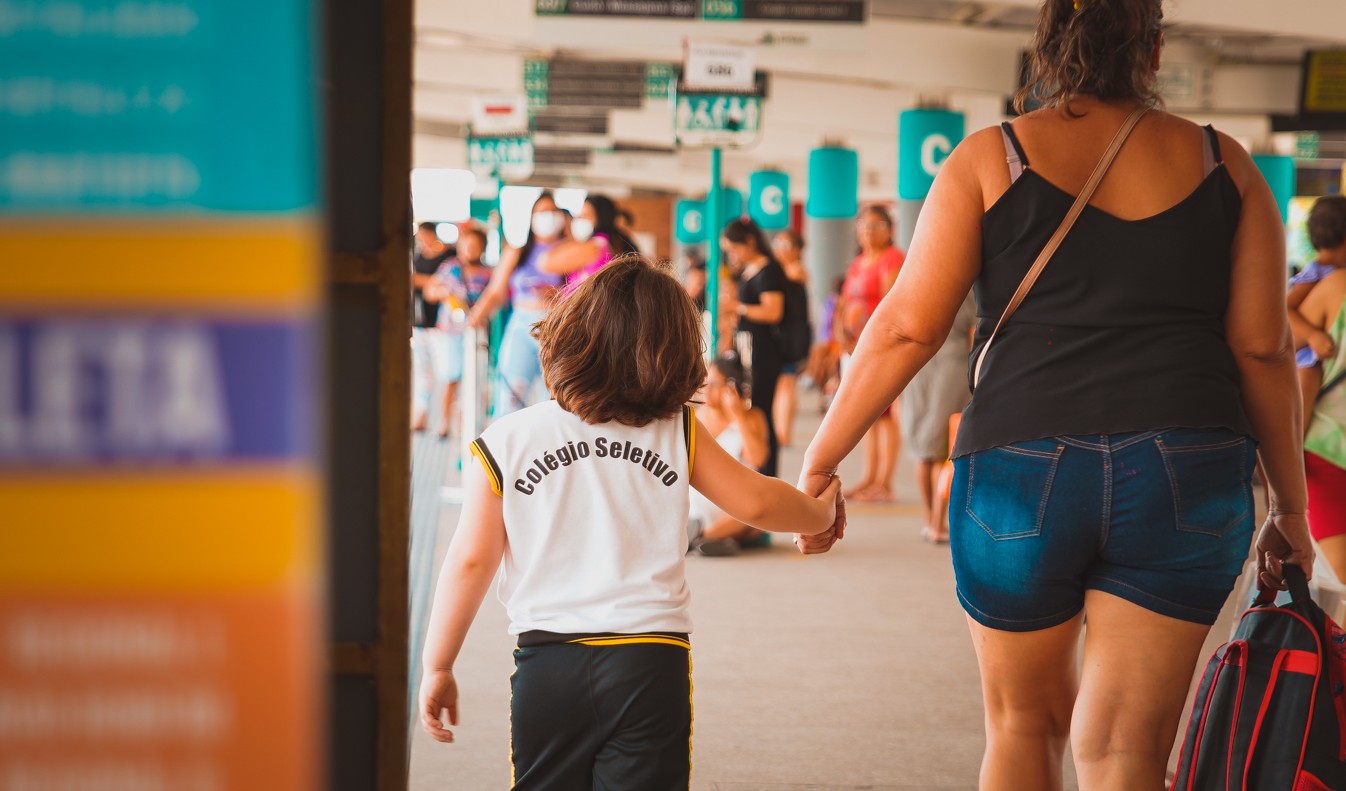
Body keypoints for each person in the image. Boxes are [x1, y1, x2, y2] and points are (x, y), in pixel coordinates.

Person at [795, 2, 1313, 789]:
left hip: (1019, 460)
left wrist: (822, 457)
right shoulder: (1227, 166)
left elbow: (906, 327)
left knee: (1021, 726)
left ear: (1045, 44)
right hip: (1188, 463)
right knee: (1125, 751)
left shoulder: (988, 159)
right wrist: (1289, 508)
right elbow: (1264, 348)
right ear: (1156, 47)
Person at [416, 257, 841, 789]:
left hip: (547, 661)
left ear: (569, 334)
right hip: (649, 659)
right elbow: (755, 502)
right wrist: (819, 511)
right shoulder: (677, 430)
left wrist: (439, 663)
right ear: (676, 349)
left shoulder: (506, 440)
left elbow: (471, 561)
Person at [468, 192, 567, 417]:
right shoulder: (519, 251)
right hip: (521, 327)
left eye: (553, 212)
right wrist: (477, 315)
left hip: (558, 329)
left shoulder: (570, 251)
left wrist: (557, 295)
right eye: (541, 212)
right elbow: (496, 290)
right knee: (510, 396)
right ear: (531, 218)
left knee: (554, 402)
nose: (547, 217)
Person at [835, 206, 905, 501]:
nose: (868, 230)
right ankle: (869, 477)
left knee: (886, 415)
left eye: (876, 225)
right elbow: (844, 301)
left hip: (881, 348)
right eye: (864, 224)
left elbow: (894, 303)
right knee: (870, 417)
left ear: (889, 229)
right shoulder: (859, 262)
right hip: (856, 349)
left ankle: (884, 483)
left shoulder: (894, 259)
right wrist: (840, 333)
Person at [899, 293, 975, 543]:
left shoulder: (917, 276)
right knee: (943, 448)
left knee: (924, 448)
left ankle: (928, 519)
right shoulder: (968, 288)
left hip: (919, 364)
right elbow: (975, 332)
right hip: (950, 365)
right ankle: (937, 523)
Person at [688, 352, 774, 556]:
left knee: (756, 517)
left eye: (714, 384)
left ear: (731, 386)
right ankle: (708, 538)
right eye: (705, 382)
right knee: (751, 523)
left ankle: (700, 537)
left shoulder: (753, 418)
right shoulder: (696, 416)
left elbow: (758, 458)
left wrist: (738, 416)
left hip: (734, 508)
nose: (706, 389)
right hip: (696, 508)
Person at [722, 218, 787, 477]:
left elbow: (773, 311)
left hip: (764, 352)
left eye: (734, 248)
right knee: (755, 409)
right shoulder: (751, 269)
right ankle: (759, 467)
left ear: (750, 241)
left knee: (762, 413)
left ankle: (767, 471)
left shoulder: (768, 270)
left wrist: (737, 307)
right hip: (750, 349)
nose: (733, 255)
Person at [423, 225, 492, 439]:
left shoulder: (489, 273)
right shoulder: (449, 268)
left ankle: (470, 425)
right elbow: (430, 291)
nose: (470, 249)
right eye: (466, 245)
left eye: (475, 246)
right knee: (451, 377)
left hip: (478, 334)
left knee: (476, 380)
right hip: (450, 332)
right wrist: (445, 293)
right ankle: (445, 423)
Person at [1299, 268, 1346, 581]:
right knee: (1340, 578)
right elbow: (1279, 343)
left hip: (1325, 448)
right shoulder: (1337, 284)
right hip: (1327, 451)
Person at [1287, 196, 1346, 424]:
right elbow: (1286, 309)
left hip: (1314, 352)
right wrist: (1313, 335)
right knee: (1308, 382)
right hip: (1306, 355)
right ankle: (1297, 443)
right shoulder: (1317, 271)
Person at [537, 194, 638, 292]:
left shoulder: (596, 246)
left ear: (601, 218)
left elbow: (545, 263)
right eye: (580, 215)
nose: (579, 220)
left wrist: (569, 235)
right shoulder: (611, 242)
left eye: (585, 216)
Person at [771, 229, 813, 446]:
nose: (780, 250)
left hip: (792, 334)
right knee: (783, 382)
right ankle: (781, 430)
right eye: (777, 244)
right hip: (788, 332)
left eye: (786, 246)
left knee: (786, 382)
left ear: (797, 250)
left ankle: (783, 432)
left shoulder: (795, 271)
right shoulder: (783, 271)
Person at [411, 222, 454, 431]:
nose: (422, 240)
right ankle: (422, 414)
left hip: (442, 324)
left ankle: (446, 419)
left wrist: (419, 281)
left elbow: (444, 283)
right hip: (420, 322)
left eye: (424, 235)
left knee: (446, 371)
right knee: (423, 370)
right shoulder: (418, 256)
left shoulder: (449, 255)